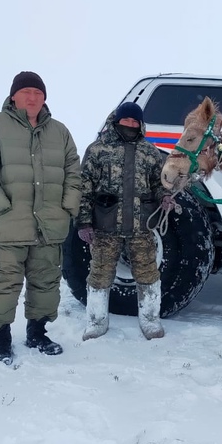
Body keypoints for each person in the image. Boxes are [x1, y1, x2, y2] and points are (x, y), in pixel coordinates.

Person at [0, 71, 82, 364]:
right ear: (13, 95)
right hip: (8, 225)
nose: (32, 98)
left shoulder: (59, 131)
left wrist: (67, 207)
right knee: (3, 284)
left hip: (49, 225)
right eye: (26, 92)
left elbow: (73, 172)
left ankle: (37, 332)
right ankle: (1, 337)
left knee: (46, 282)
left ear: (45, 98)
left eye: (38, 93)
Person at [76, 102, 175, 341]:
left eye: (134, 121)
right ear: (117, 121)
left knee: (148, 274)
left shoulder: (150, 152)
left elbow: (158, 184)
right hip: (105, 226)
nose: (130, 124)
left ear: (140, 124)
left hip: (141, 226)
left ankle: (150, 321)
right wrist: (84, 222)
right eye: (126, 120)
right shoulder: (98, 150)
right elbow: (84, 187)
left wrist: (165, 197)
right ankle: (96, 322)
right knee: (99, 274)